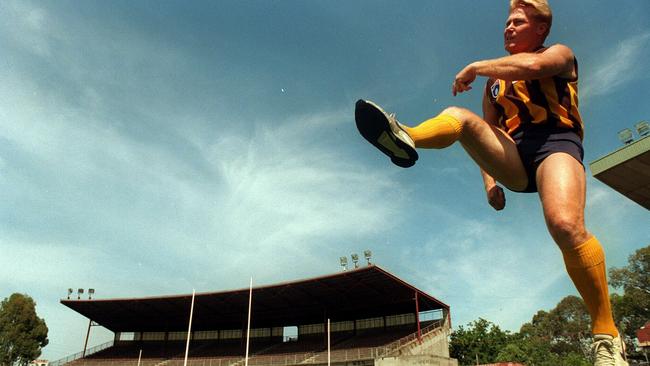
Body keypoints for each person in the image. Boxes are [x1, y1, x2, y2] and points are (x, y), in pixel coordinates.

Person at [355, 1, 627, 365]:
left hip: (556, 144)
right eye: (506, 23)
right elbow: (489, 134)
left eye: (517, 22)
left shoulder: (560, 54)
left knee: (564, 224)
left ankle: (606, 335)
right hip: (514, 154)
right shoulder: (495, 85)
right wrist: (489, 184)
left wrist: (474, 67)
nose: (507, 29)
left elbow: (533, 67)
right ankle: (405, 136)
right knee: (460, 118)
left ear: (540, 29)